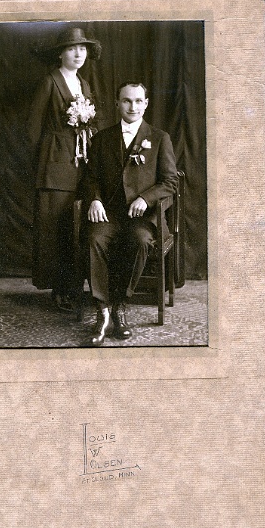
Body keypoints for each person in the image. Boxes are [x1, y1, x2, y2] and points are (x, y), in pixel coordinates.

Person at [84, 81, 178, 346]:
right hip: (109, 215)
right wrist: (94, 199)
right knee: (95, 239)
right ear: (117, 103)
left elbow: (170, 182)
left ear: (146, 104)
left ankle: (120, 305)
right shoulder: (102, 138)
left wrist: (145, 199)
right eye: (126, 101)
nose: (132, 106)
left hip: (142, 218)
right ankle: (102, 310)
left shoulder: (159, 138)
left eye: (138, 101)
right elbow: (90, 177)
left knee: (138, 241)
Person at [27, 27, 101, 311]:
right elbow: (33, 128)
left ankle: (74, 286)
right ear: (60, 53)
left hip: (81, 163)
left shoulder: (83, 82)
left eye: (82, 48)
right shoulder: (50, 81)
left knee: (76, 227)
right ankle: (59, 290)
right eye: (71, 48)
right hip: (55, 164)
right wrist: (43, 162)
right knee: (55, 228)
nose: (78, 53)